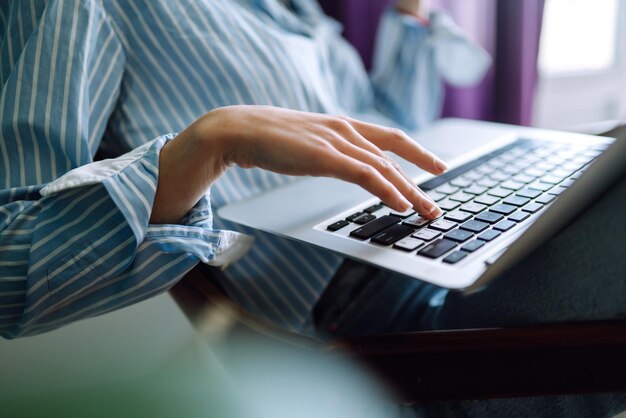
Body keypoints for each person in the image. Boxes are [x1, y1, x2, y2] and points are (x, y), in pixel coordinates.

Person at [1, 1, 625, 416]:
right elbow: (9, 271)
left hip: (431, 242)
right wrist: (208, 144)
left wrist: (409, 14)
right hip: (385, 326)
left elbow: (391, 135)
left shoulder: (292, 8)